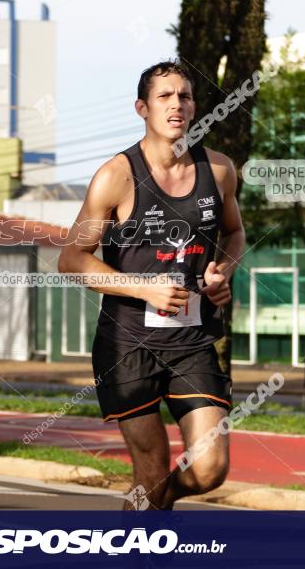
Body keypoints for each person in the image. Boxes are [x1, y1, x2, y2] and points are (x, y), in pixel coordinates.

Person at [58, 61, 245, 510]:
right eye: (164, 96)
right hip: (127, 344)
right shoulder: (116, 176)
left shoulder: (218, 171)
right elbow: (71, 259)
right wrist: (144, 289)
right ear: (142, 108)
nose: (176, 104)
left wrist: (223, 270)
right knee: (152, 465)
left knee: (209, 468)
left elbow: (235, 234)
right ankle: (143, 533)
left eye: (184, 96)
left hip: (191, 341)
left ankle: (155, 499)